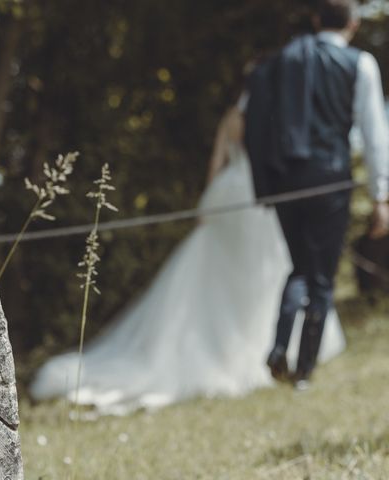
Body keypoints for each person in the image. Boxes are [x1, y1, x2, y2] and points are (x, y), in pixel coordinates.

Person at [29, 100, 346, 415]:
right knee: (263, 275)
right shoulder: (273, 113)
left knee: (225, 278)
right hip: (257, 195)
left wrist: (207, 203)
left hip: (229, 191)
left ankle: (243, 351)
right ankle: (267, 350)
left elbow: (216, 162)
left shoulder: (231, 117)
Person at [248, 0, 389, 389]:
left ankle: (279, 348)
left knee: (299, 267)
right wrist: (381, 197)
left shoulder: (283, 60)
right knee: (321, 277)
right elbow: (375, 136)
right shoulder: (359, 64)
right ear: (354, 24)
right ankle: (304, 373)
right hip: (330, 179)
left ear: (315, 20)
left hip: (284, 179)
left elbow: (255, 116)